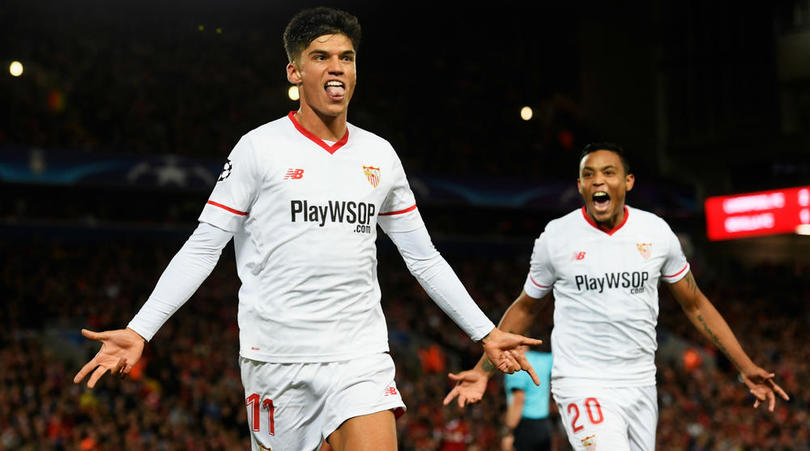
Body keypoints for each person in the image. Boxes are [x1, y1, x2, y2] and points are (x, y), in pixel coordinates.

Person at [72, 7, 542, 451]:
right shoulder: (259, 148)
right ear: (295, 72)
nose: (336, 68)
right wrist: (141, 329)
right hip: (276, 360)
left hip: (359, 356)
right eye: (320, 57)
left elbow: (423, 258)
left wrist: (484, 332)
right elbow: (203, 247)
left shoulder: (380, 154)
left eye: (347, 57)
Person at [443, 142, 790, 450]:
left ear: (628, 182)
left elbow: (695, 303)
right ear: (580, 186)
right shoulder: (557, 237)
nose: (598, 181)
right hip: (582, 381)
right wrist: (483, 370)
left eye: (608, 172)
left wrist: (745, 366)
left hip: (640, 382)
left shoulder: (655, 233)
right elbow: (526, 306)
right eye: (588, 175)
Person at [501, 349, 553, 451]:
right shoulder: (545, 359)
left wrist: (508, 433)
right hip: (544, 425)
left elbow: (518, 399)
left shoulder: (515, 363)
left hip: (525, 427)